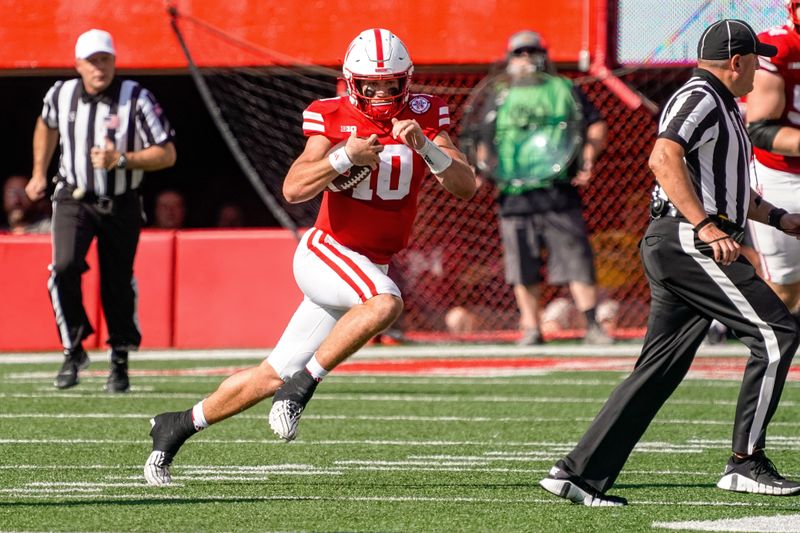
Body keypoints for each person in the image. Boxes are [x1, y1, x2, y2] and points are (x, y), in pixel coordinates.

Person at [143, 28, 476, 485]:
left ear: (407, 81)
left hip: (366, 264)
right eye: (371, 84)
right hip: (328, 251)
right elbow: (294, 187)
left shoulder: (426, 114)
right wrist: (344, 158)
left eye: (391, 83)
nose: (381, 93)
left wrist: (427, 147)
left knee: (270, 375)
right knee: (386, 302)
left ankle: (177, 425)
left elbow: (466, 185)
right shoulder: (331, 115)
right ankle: (305, 387)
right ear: (352, 81)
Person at [539, 19, 800, 507]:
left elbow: (724, 188)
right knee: (776, 332)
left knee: (658, 368)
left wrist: (779, 218)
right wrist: (705, 227)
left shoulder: (721, 102)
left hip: (686, 239)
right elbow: (663, 159)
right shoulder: (701, 95)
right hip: (686, 241)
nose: (760, 69)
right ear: (736, 62)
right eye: (755, 59)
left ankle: (577, 474)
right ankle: (746, 462)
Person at [27, 29, 176, 393]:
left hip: (122, 202)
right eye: (92, 61)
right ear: (78, 64)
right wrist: (37, 173)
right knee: (63, 267)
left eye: (105, 60)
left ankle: (119, 359)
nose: (100, 68)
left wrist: (122, 159)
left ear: (114, 61)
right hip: (73, 196)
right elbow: (46, 125)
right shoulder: (60, 94)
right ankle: (73, 348)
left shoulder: (135, 97)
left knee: (118, 281)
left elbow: (167, 152)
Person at [472, 30, 611, 346]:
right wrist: (482, 169)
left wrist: (588, 157)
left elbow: (595, 122)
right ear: (509, 58)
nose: (525, 58)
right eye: (519, 53)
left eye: (531, 52)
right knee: (522, 266)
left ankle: (592, 326)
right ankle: (531, 328)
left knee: (577, 260)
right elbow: (483, 135)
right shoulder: (501, 93)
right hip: (513, 193)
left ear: (543, 55)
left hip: (557, 188)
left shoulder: (563, 89)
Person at [744, 0, 800, 322]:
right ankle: (736, 325)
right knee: (786, 288)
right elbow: (761, 130)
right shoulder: (778, 47)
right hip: (781, 175)